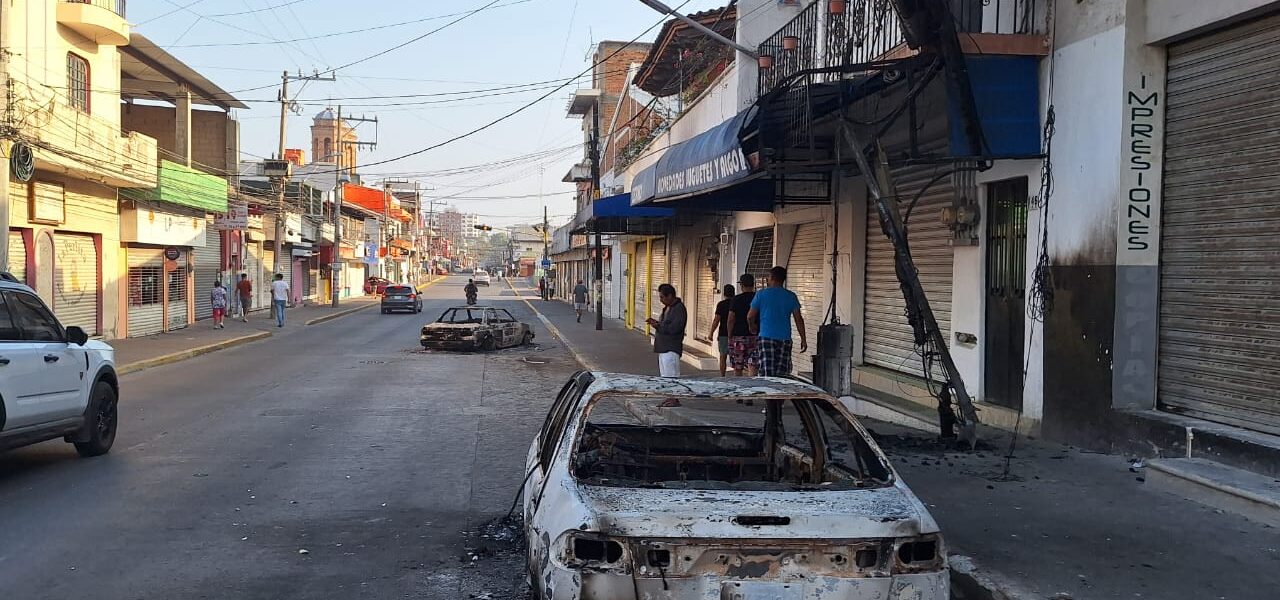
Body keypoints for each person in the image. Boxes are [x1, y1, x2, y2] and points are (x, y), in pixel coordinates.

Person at [748, 266, 807, 377]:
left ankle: (767, 393)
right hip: (785, 338)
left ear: (772, 277)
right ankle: (780, 392)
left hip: (766, 337)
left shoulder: (761, 294)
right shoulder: (791, 296)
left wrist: (752, 326)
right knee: (782, 374)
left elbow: (750, 316)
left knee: (767, 371)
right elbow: (798, 319)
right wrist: (803, 339)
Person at [646, 283, 686, 378]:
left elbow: (675, 328)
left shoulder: (678, 309)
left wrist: (658, 326)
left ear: (670, 296)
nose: (661, 300)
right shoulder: (667, 308)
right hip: (663, 348)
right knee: (665, 378)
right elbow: (666, 324)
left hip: (671, 349)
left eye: (662, 297)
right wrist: (656, 323)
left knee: (671, 379)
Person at [726, 273, 759, 376]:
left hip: (738, 337)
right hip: (754, 336)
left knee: (738, 366)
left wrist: (729, 335)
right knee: (753, 364)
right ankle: (752, 387)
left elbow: (731, 319)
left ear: (742, 285)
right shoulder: (758, 297)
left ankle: (739, 387)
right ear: (753, 285)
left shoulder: (736, 299)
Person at [708, 284, 735, 376]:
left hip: (723, 333)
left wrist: (711, 333)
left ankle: (722, 376)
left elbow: (716, 320)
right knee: (736, 356)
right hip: (736, 333)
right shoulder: (736, 303)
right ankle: (737, 375)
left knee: (723, 356)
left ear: (724, 293)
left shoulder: (721, 305)